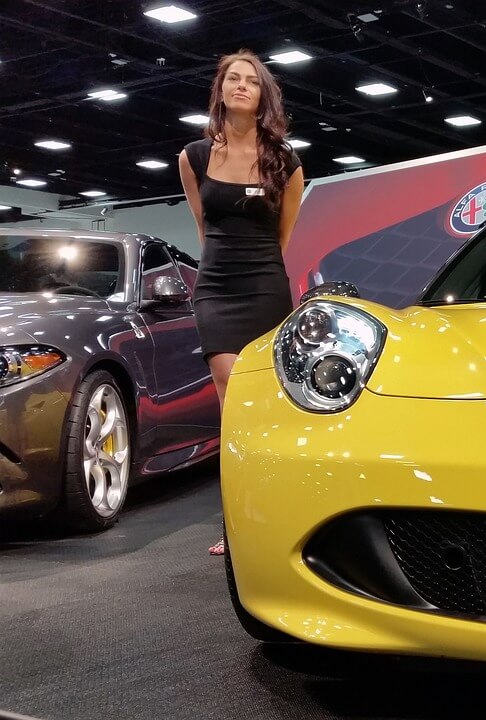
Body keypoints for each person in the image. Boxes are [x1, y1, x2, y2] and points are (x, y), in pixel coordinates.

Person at [177, 49, 305, 554]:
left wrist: (265, 275)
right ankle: (235, 523)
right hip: (216, 286)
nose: (241, 86)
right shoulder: (194, 157)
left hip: (264, 285)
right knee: (230, 394)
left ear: (262, 95)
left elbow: (283, 237)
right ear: (221, 90)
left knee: (266, 403)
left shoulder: (285, 161)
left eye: (251, 81)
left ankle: (275, 509)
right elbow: (202, 227)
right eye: (232, 78)